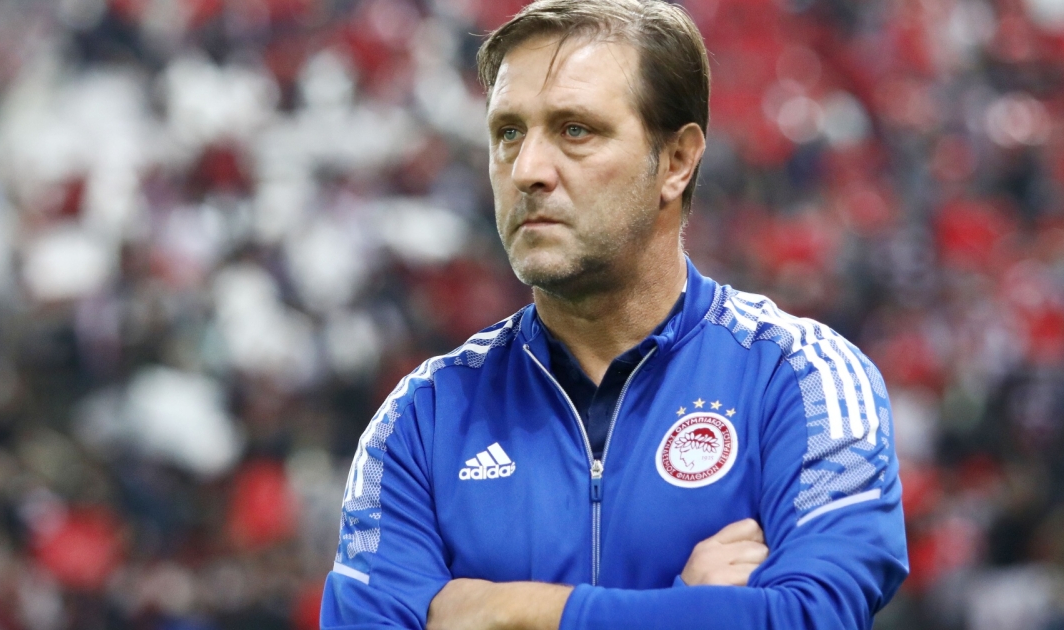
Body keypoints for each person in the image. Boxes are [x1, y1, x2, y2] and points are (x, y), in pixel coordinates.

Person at [320, 0, 908, 627]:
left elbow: (812, 616)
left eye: (575, 130)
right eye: (508, 133)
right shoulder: (421, 420)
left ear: (676, 161)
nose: (527, 170)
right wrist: (685, 607)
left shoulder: (801, 380)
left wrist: (507, 610)